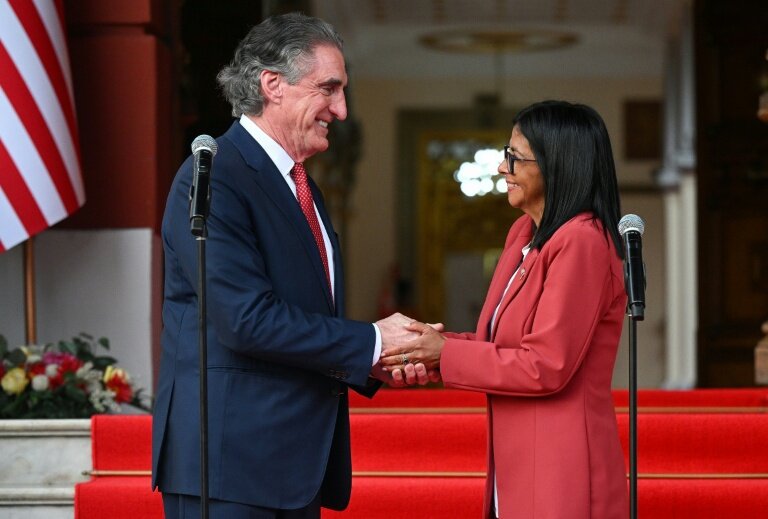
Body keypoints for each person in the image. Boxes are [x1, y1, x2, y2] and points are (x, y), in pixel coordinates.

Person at [151, 13, 429, 518]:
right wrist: (372, 340)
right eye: (329, 89)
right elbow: (246, 319)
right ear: (272, 85)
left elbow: (301, 311)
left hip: (291, 465)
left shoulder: (299, 184)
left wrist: (374, 360)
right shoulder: (212, 175)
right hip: (230, 466)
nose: (341, 110)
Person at [380, 100, 630, 518]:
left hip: (561, 464)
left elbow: (545, 364)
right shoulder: (524, 234)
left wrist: (445, 353)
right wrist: (422, 346)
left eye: (515, 157)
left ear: (556, 165)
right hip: (516, 462)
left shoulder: (583, 240)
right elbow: (495, 344)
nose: (502, 168)